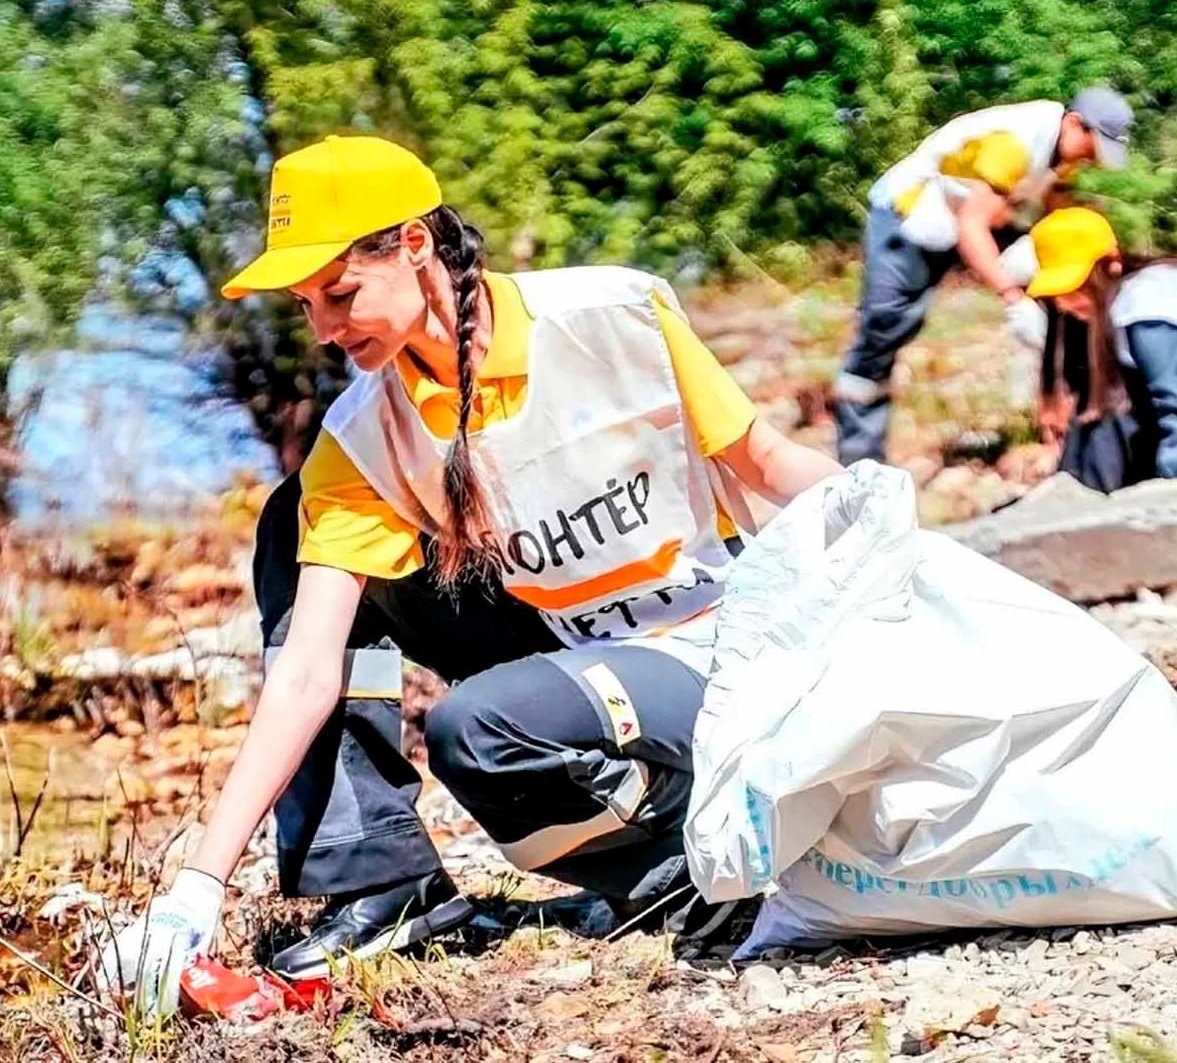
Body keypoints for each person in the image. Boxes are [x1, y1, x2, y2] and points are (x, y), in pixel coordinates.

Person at [100, 134, 842, 1012]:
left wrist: (892, 536)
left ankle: (715, 850)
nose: (327, 329)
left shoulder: (615, 317)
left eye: (340, 294)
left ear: (415, 245)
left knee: (476, 725)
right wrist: (197, 886)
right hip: (563, 646)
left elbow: (764, 463)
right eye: (307, 306)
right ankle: (387, 881)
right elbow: (306, 668)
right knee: (290, 534)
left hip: (709, 640)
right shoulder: (363, 435)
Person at [835, 87, 1134, 465]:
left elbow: (1052, 210)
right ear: (1075, 124)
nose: (1094, 160)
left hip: (979, 224)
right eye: (1095, 147)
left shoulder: (1062, 147)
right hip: (910, 222)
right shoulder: (1015, 144)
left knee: (1064, 283)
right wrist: (1012, 298)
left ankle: (1068, 426)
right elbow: (970, 227)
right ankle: (858, 460)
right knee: (885, 329)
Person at [1021, 207, 1177, 492]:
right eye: (1056, 295)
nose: (1063, 305)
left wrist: (1166, 495)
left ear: (1111, 265)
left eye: (1073, 288)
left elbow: (1174, 409)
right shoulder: (1118, 309)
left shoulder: (1147, 308)